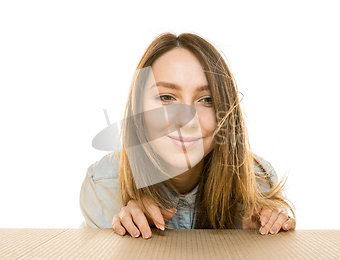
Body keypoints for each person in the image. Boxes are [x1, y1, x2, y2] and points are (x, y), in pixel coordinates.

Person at [79, 32, 296, 239]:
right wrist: (127, 235)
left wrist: (265, 233)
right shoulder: (102, 186)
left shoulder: (259, 180)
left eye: (207, 100)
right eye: (166, 97)